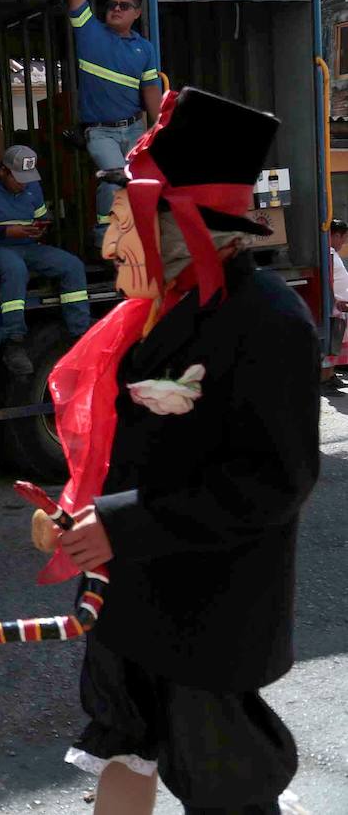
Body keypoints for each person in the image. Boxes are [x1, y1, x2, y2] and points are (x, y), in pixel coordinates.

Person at [40, 89, 315, 814]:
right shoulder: (149, 312)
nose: (108, 244)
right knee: (121, 743)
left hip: (207, 608)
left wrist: (119, 524)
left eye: (123, 218)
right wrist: (79, 519)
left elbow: (270, 482)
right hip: (129, 594)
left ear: (183, 222)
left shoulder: (268, 321)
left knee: (224, 782)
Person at [68, 0, 163, 245]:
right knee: (114, 178)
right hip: (100, 131)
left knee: (142, 182)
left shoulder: (144, 49)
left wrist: (160, 128)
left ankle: (139, 236)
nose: (116, 9)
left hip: (134, 128)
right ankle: (103, 237)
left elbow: (150, 91)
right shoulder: (89, 32)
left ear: (137, 13)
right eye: (112, 5)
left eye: (124, 6)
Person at [0, 145, 91, 376]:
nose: (23, 184)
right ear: (3, 171)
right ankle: (14, 341)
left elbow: (42, 217)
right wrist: (4, 232)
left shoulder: (32, 185)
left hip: (29, 245)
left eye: (27, 179)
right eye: (18, 179)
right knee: (15, 270)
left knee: (72, 266)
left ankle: (81, 336)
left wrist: (39, 229)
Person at [323, 218, 348, 387]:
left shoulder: (331, 253)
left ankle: (330, 375)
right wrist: (334, 302)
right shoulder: (330, 253)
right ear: (335, 235)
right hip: (336, 307)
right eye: (344, 238)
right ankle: (327, 378)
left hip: (339, 306)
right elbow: (328, 280)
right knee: (332, 342)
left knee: (336, 343)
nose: (344, 242)